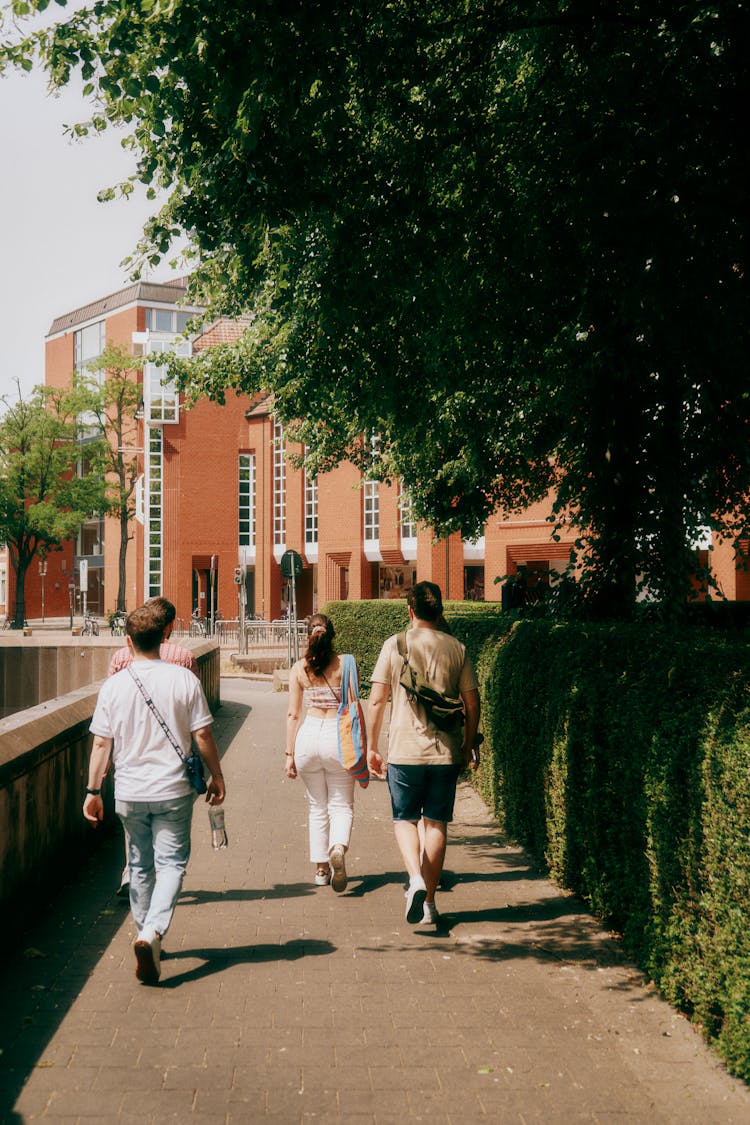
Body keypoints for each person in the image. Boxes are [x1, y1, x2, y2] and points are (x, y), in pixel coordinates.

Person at [83, 603, 225, 985]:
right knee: (172, 864)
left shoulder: (114, 686)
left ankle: (146, 932)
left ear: (128, 642)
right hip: (174, 789)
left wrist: (93, 790)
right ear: (163, 637)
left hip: (129, 790)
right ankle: (152, 934)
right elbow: (203, 735)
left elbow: (101, 744)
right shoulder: (183, 680)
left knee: (139, 864)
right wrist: (217, 776)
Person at [366, 581, 480, 926]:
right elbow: (473, 704)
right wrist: (467, 742)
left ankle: (414, 878)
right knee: (436, 823)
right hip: (445, 753)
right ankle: (429, 903)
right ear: (440, 609)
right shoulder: (457, 648)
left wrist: (371, 746)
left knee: (404, 819)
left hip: (404, 751)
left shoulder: (396, 644)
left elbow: (376, 700)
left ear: (410, 610)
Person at [107, 597, 199, 898]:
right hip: (173, 757)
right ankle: (161, 878)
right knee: (168, 828)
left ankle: (130, 873)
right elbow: (195, 712)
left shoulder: (121, 658)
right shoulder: (184, 658)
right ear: (168, 626)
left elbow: (111, 708)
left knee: (134, 831)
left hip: (131, 754)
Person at [285, 613, 356, 892]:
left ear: (307, 635)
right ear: (333, 634)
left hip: (307, 737)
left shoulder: (299, 668)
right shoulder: (346, 664)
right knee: (341, 804)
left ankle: (320, 870)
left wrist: (289, 754)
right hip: (337, 737)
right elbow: (353, 705)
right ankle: (337, 847)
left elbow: (293, 714)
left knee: (316, 806)